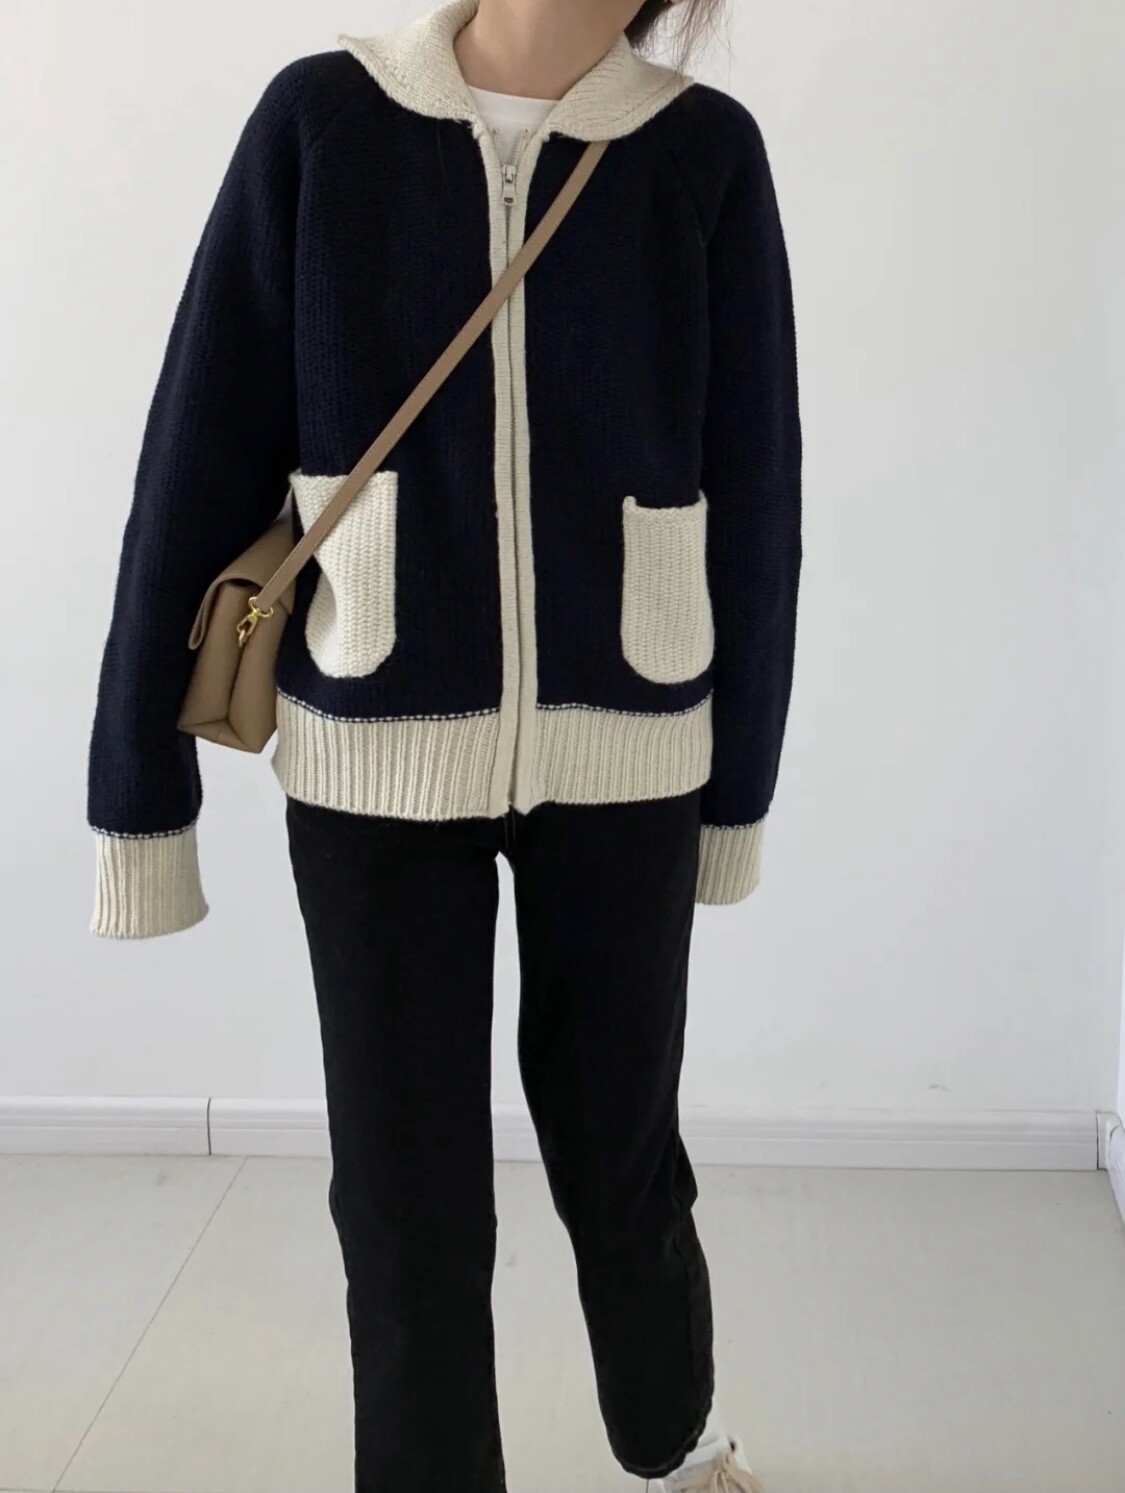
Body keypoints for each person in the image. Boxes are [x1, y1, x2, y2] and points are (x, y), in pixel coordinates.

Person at [85, 0, 802, 1487]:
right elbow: (196, 451)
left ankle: (674, 1442)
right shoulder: (322, 126)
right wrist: (138, 796)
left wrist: (738, 791)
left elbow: (757, 483)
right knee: (403, 1198)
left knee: (622, 1158)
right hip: (372, 748)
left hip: (630, 746)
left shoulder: (701, 154)